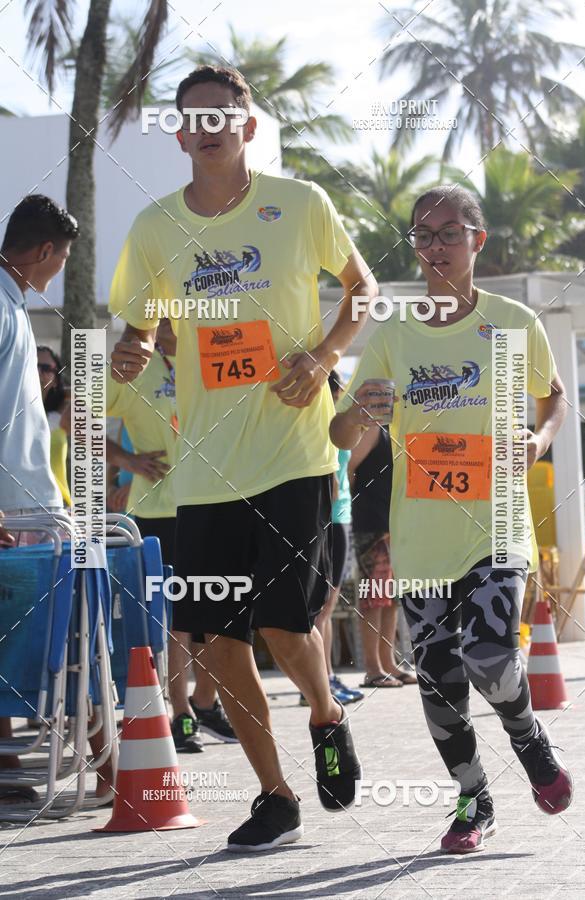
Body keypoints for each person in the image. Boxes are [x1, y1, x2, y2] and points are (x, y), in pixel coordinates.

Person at [109, 65, 377, 851]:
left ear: (248, 125)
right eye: (194, 117)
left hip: (294, 454)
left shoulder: (300, 205)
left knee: (284, 626)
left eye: (226, 113)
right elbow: (141, 326)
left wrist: (326, 356)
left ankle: (326, 716)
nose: (210, 126)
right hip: (203, 469)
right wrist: (135, 347)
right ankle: (277, 797)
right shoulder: (156, 227)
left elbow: (361, 289)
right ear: (180, 133)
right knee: (217, 642)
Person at [330, 184, 572, 854]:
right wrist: (361, 414)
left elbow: (550, 402)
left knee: (493, 657)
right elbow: (341, 430)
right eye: (422, 235)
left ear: (477, 240)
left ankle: (527, 738)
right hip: (421, 538)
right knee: (439, 686)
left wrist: (536, 441)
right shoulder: (394, 334)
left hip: (496, 525)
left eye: (448, 233)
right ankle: (473, 801)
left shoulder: (513, 322)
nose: (435, 247)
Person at [106, 317, 237, 751]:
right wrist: (128, 459)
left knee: (219, 608)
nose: (167, 321)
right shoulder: (132, 367)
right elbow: (77, 421)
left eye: (173, 311)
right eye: (157, 314)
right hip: (159, 509)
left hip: (213, 500)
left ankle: (204, 701)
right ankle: (179, 712)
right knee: (177, 619)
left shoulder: (205, 355)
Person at [0, 194, 78, 802]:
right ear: (46, 252)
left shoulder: (13, 304)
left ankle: (4, 762)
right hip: (11, 509)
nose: (56, 272)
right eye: (59, 262)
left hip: (27, 505)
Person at [348, 423, 417, 688]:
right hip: (372, 522)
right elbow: (349, 467)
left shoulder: (400, 427)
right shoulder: (374, 428)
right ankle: (373, 668)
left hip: (395, 522)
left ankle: (388, 663)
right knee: (373, 597)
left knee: (391, 600)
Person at [311, 371, 363, 705]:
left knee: (325, 609)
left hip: (339, 516)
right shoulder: (325, 424)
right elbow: (330, 476)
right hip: (331, 519)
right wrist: (326, 522)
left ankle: (326, 677)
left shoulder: (336, 423)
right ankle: (319, 682)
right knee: (322, 609)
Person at [37, 345, 72, 507]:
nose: (38, 372)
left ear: (56, 379)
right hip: (15, 509)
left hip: (57, 505)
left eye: (46, 368)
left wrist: (64, 392)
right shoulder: (8, 413)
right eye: (33, 365)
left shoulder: (62, 414)